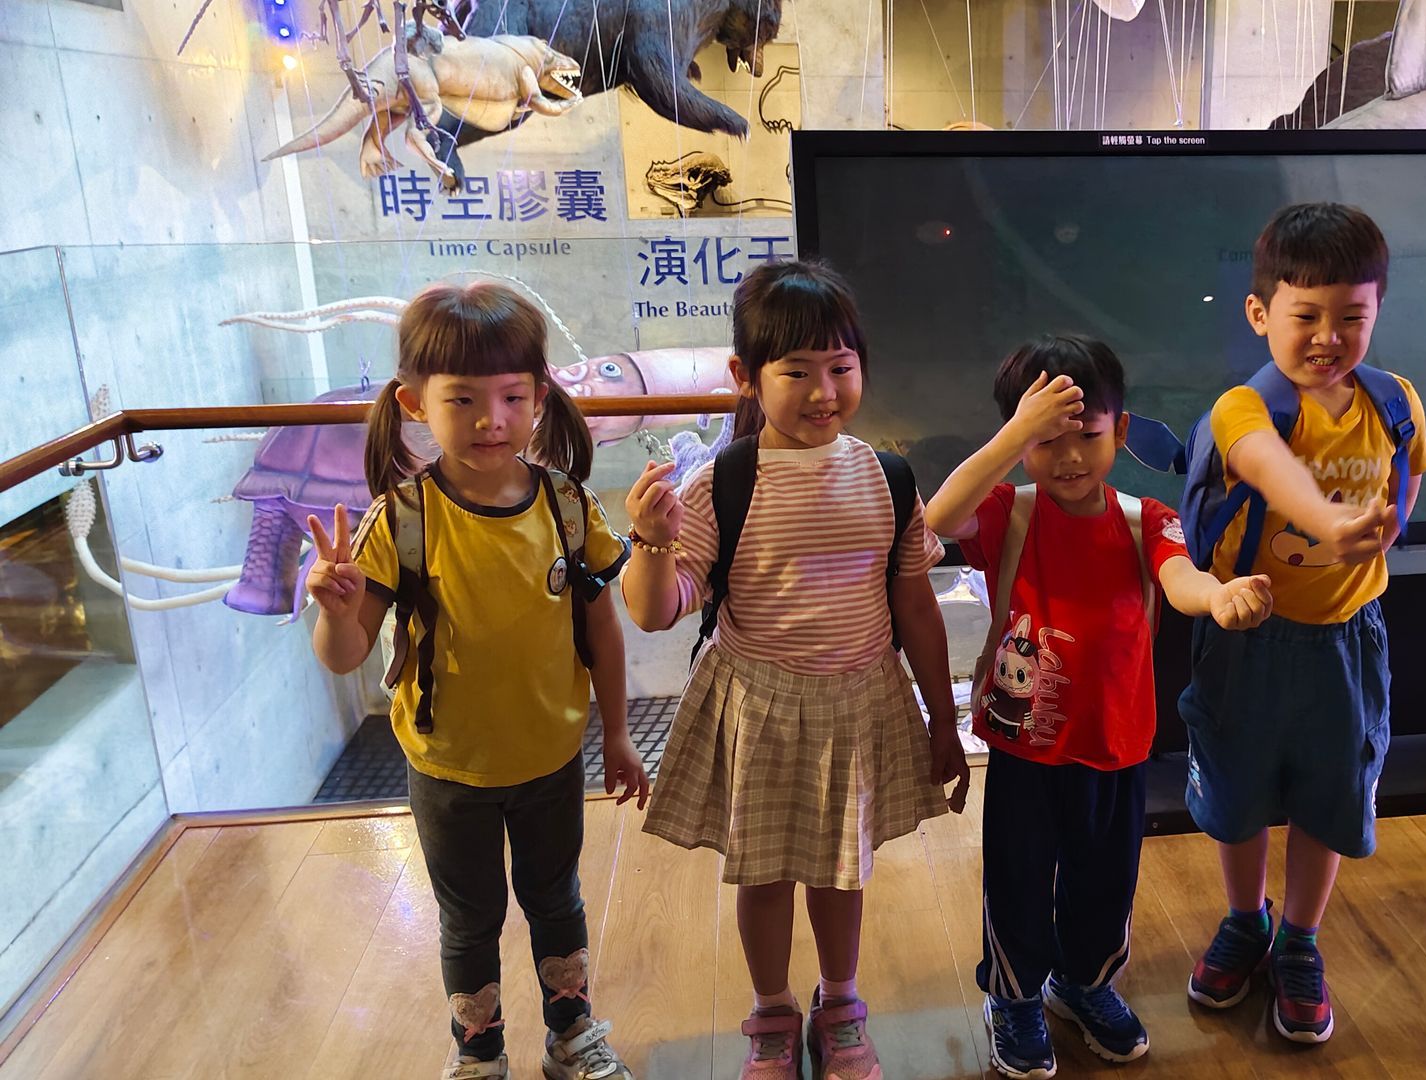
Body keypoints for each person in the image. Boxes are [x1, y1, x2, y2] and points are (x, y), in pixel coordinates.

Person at [620, 259, 969, 1080]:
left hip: (859, 698)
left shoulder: (887, 476)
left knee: (843, 873)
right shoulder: (723, 482)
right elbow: (656, 609)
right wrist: (650, 543)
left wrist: (943, 719)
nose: (824, 392)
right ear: (745, 375)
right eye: (797, 372)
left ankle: (840, 1004)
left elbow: (916, 605)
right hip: (761, 705)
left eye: (840, 368)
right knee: (767, 873)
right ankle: (773, 1011)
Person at [306, 281, 647, 1080]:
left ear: (539, 398)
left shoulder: (566, 507)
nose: (491, 419)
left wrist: (620, 732)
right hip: (448, 767)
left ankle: (571, 1035)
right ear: (415, 403)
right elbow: (345, 655)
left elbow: (601, 627)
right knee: (468, 919)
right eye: (462, 399)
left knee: (556, 900)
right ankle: (480, 1053)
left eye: (511, 397)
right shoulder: (404, 518)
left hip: (550, 757)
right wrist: (337, 611)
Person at [925, 334, 1274, 1079]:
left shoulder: (1146, 518)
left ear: (1121, 430)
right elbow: (938, 518)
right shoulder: (1009, 512)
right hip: (1023, 745)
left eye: (1086, 434)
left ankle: (1083, 984)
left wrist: (1220, 597)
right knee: (1017, 876)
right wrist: (1013, 435)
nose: (1069, 457)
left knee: (1105, 879)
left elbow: (1181, 578)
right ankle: (1015, 997)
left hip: (1116, 742)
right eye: (1045, 440)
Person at [1180, 203, 1426, 1043]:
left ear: (1377, 312)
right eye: (1307, 316)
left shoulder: (1395, 401)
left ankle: (1298, 940)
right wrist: (1329, 522)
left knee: (1332, 794)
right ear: (1260, 313)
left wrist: (1386, 528)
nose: (1329, 337)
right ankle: (1244, 919)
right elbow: (1265, 466)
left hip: (1346, 641)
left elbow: (1409, 472)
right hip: (1246, 640)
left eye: (1351, 317)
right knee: (1238, 790)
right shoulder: (1242, 407)